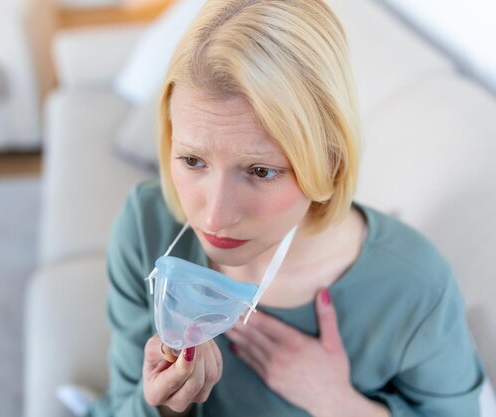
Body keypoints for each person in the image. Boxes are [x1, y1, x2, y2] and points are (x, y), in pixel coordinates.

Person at [84, 0, 485, 415]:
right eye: (193, 161)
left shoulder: (414, 287)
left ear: (330, 160)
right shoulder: (147, 226)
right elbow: (121, 401)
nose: (214, 217)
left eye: (260, 171)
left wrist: (340, 404)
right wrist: (164, 406)